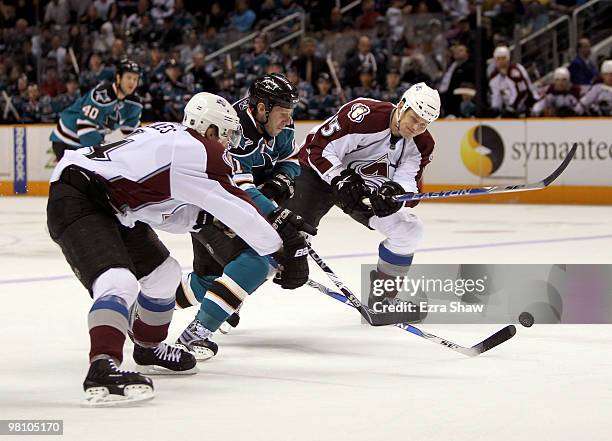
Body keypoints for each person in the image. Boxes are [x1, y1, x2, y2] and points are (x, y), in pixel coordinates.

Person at [47, 92, 310, 406]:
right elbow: (237, 204)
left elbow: (165, 211)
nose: (227, 145)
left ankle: (147, 347)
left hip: (111, 203)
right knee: (120, 282)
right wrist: (281, 246)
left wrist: (206, 222)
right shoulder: (200, 150)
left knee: (165, 275)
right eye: (226, 136)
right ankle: (102, 366)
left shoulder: (171, 138)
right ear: (210, 131)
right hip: (78, 196)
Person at [173, 74, 312, 357]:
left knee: (207, 280)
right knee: (258, 262)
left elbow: (291, 160)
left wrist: (281, 180)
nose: (288, 120)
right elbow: (240, 188)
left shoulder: (282, 123)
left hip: (230, 205)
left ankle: (144, 309)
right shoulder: (232, 127)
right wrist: (279, 219)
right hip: (215, 207)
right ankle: (198, 332)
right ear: (261, 109)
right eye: (283, 114)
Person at [284, 82, 440, 313]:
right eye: (414, 118)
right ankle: (230, 299)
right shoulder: (365, 115)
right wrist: (340, 179)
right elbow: (316, 148)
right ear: (402, 105)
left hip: (362, 192)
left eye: (424, 123)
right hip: (317, 176)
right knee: (283, 236)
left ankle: (383, 300)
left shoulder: (422, 144)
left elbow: (410, 189)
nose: (417, 127)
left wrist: (394, 196)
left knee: (409, 230)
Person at [50, 59, 143, 161]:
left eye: (135, 79)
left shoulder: (134, 103)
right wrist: (101, 149)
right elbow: (85, 127)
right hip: (66, 141)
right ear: (118, 77)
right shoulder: (102, 95)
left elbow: (133, 134)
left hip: (85, 143)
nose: (132, 82)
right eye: (128, 77)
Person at [488, 46, 539, 117]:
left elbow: (522, 92)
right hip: (510, 107)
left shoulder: (516, 71)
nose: (501, 61)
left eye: (503, 58)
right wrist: (495, 109)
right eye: (498, 59)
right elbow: (496, 96)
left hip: (528, 103)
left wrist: (512, 107)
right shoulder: (494, 77)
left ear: (508, 59)